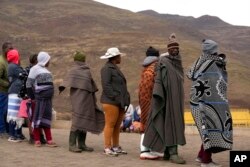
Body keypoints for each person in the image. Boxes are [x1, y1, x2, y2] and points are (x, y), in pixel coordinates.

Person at [187, 39, 233, 167]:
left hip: (198, 101)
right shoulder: (210, 63)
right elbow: (214, 84)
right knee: (210, 129)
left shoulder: (200, 61)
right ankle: (206, 161)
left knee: (207, 129)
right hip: (207, 102)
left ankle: (201, 156)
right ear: (213, 50)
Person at [143, 33, 186, 164]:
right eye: (172, 49)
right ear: (168, 50)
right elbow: (159, 80)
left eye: (177, 49)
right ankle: (173, 153)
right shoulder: (164, 63)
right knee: (171, 124)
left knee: (175, 124)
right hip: (167, 100)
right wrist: (160, 95)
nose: (175, 51)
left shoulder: (178, 63)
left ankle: (167, 152)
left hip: (177, 100)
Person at [59, 51, 105, 153]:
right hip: (77, 99)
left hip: (87, 99)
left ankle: (82, 144)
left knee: (84, 120)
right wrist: (62, 87)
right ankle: (72, 145)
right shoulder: (73, 71)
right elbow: (66, 81)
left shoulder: (87, 71)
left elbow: (91, 85)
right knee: (77, 119)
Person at [100, 47, 130, 156]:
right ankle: (107, 147)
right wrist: (115, 96)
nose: (120, 57)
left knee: (117, 125)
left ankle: (116, 146)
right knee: (110, 124)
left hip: (119, 102)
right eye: (119, 56)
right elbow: (106, 85)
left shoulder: (114, 68)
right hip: (111, 101)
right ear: (115, 57)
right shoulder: (106, 69)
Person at [26, 51, 57, 147]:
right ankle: (37, 140)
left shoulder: (46, 70)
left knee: (46, 118)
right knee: (37, 118)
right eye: (48, 60)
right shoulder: (34, 69)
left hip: (47, 99)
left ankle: (49, 140)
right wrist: (32, 97)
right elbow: (28, 83)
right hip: (38, 98)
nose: (49, 62)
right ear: (44, 60)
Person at [138, 46, 160, 160]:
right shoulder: (154, 68)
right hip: (150, 100)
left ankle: (148, 149)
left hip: (143, 99)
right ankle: (144, 150)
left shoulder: (146, 68)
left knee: (145, 123)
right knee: (148, 125)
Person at [6, 49, 26, 142]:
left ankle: (18, 134)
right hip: (15, 93)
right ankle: (12, 135)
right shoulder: (13, 66)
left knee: (18, 114)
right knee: (13, 114)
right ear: (16, 57)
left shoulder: (12, 66)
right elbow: (24, 74)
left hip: (16, 92)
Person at [0, 42, 12, 138]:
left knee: (7, 111)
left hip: (9, 91)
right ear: (4, 50)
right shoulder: (1, 62)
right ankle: (2, 130)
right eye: (10, 48)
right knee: (2, 111)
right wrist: (8, 84)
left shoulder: (9, 61)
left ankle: (7, 130)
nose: (11, 50)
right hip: (2, 90)